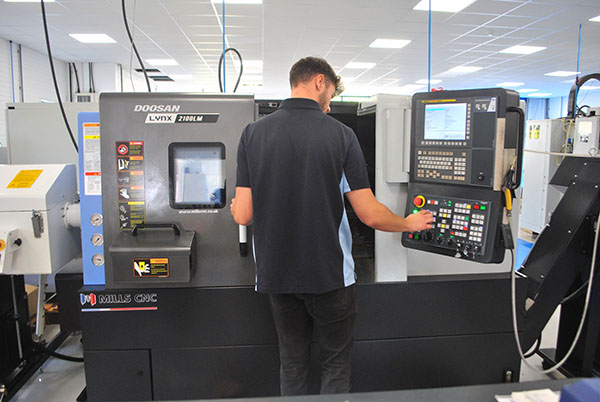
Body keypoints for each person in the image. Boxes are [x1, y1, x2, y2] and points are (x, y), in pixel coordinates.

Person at [230, 56, 433, 396]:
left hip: (277, 276)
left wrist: (236, 206)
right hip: (331, 277)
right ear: (319, 82)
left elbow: (243, 215)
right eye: (332, 94)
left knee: (292, 363)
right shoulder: (341, 135)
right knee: (335, 364)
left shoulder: (253, 133)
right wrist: (408, 222)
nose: (330, 104)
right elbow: (369, 214)